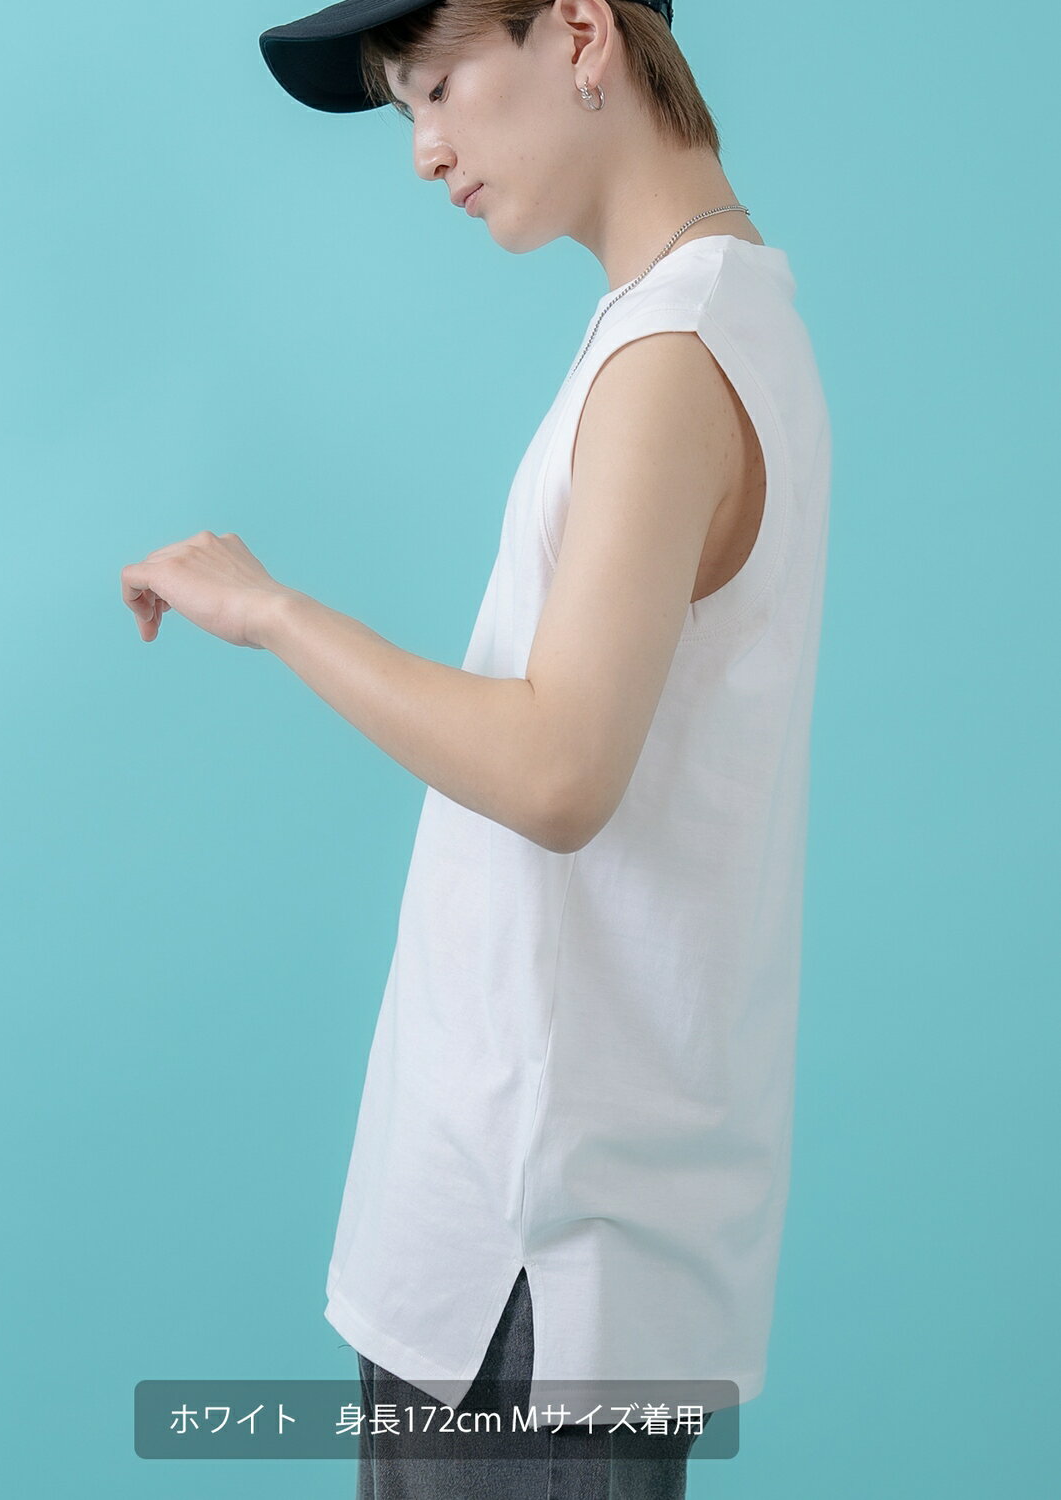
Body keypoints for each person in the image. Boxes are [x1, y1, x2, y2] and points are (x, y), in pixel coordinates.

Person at [122, 1, 832, 1494]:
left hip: (539, 1265)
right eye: (404, 109)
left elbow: (558, 772)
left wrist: (273, 612)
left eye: (438, 83)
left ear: (578, 32)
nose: (424, 150)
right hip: (530, 1243)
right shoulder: (704, 315)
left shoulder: (671, 354)